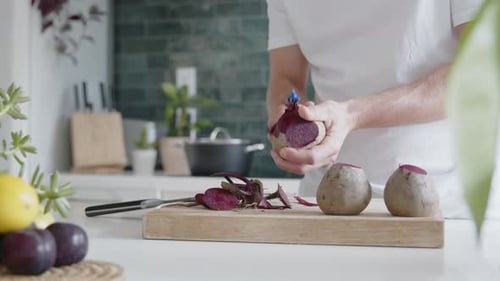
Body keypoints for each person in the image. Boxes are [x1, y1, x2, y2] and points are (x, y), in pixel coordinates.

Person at [265, 0, 484, 218]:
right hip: (327, 201)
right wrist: (290, 116)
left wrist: (352, 115)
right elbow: (286, 77)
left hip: (447, 203)